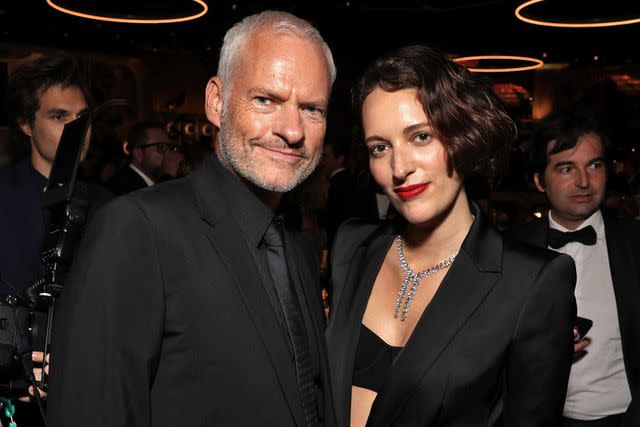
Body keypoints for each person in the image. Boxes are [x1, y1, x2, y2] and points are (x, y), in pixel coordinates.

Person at [47, 10, 337, 426]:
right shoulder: (138, 230)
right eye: (265, 100)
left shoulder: (299, 253)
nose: (292, 130)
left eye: (312, 109)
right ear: (217, 102)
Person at [325, 45, 577, 427]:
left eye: (421, 136)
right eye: (380, 147)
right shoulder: (352, 246)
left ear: (465, 135)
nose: (399, 167)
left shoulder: (532, 284)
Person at [0, 53, 111, 427]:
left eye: (82, 119)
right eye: (58, 117)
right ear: (26, 125)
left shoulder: (112, 208)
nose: (76, 130)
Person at [510, 111, 639, 427]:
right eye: (566, 168)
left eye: (594, 165)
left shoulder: (635, 243)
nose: (584, 181)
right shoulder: (510, 250)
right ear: (540, 181)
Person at [107, 121, 183, 195]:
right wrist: (168, 177)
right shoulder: (122, 187)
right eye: (161, 147)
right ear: (139, 154)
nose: (168, 154)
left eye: (170, 147)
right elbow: (154, 204)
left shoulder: (154, 181)